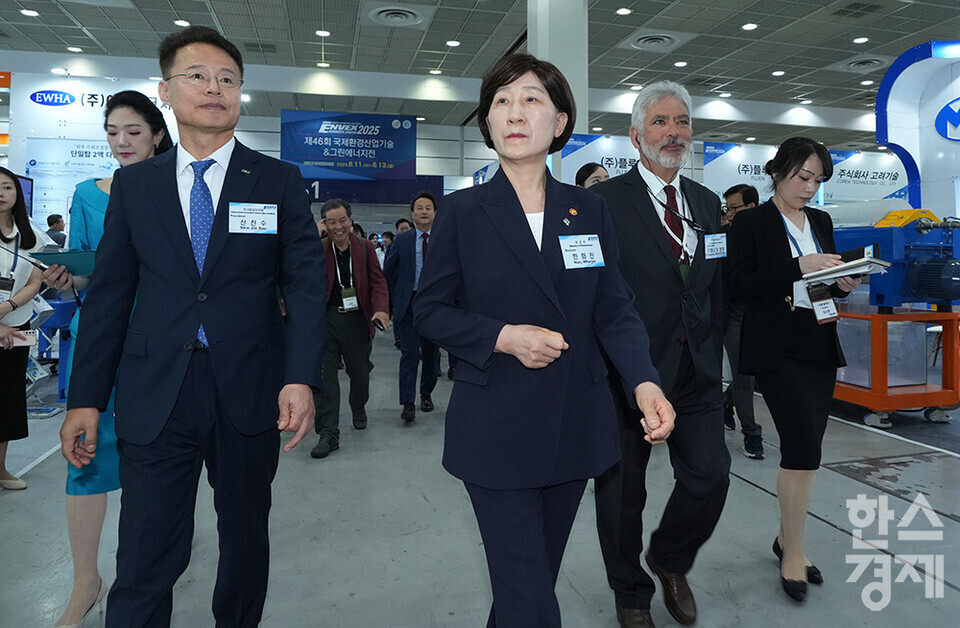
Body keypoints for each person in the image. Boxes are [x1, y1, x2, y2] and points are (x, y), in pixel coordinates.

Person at [58, 25, 325, 627]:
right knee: (147, 550)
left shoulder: (277, 180)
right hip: (157, 392)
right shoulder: (137, 184)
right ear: (166, 90)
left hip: (250, 391)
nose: (214, 88)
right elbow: (110, 295)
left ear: (240, 95)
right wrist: (86, 399)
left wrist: (300, 377)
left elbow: (306, 288)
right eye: (197, 76)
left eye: (227, 79)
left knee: (244, 544)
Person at [414, 53, 674, 628]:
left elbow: (614, 310)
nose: (513, 112)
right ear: (487, 122)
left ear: (559, 122)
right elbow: (428, 310)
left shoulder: (588, 210)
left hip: (571, 426)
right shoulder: (462, 212)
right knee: (531, 598)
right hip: (495, 427)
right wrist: (502, 336)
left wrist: (645, 380)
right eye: (501, 101)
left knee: (527, 585)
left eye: (531, 99)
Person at [590, 81, 730, 628]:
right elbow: (592, 295)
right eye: (660, 122)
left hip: (696, 372)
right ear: (635, 136)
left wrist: (718, 350)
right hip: (627, 377)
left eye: (682, 122)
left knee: (711, 477)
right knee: (623, 497)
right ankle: (630, 594)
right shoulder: (603, 204)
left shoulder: (706, 203)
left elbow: (712, 287)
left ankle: (669, 559)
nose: (674, 132)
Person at [50, 90, 173, 628]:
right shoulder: (86, 193)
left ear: (156, 136)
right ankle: (85, 582)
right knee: (86, 458)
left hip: (162, 341)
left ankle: (145, 575)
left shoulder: (179, 191)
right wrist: (64, 276)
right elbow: (81, 275)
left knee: (162, 462)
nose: (122, 142)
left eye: (134, 132)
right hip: (100, 338)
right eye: (113, 132)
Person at [728, 137, 860, 603]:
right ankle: (794, 550)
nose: (809, 188)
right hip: (776, 348)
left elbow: (826, 280)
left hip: (819, 342)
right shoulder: (752, 223)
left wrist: (843, 282)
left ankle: (787, 537)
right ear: (778, 171)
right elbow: (739, 284)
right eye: (803, 177)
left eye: (817, 181)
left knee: (811, 449)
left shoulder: (820, 220)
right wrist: (797, 266)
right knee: (801, 446)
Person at [311, 199, 390, 459]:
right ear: (325, 224)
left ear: (351, 220)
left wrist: (381, 309)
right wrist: (315, 235)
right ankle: (328, 433)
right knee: (326, 379)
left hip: (357, 320)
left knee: (360, 375)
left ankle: (358, 406)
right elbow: (295, 264)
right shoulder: (318, 248)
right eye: (331, 222)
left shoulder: (365, 248)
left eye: (342, 220)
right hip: (326, 320)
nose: (338, 226)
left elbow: (378, 283)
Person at [0, 167, 47, 491]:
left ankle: (1, 469)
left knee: (7, 399)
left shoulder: (30, 236)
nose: (1, 193)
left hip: (16, 326)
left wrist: (8, 308)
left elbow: (35, 280)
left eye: (7, 187)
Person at [383, 191, 441, 422]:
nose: (424, 211)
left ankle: (425, 394)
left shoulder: (444, 237)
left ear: (435, 212)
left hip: (436, 305)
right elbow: (388, 272)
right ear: (412, 212)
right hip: (409, 304)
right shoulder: (403, 240)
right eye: (419, 208)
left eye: (428, 207)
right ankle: (407, 401)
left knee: (431, 353)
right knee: (409, 353)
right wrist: (388, 302)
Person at [720, 183, 764, 459]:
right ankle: (752, 433)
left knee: (751, 371)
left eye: (735, 208)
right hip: (731, 313)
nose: (731, 213)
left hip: (761, 313)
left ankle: (726, 403)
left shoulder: (766, 236)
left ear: (751, 207)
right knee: (744, 374)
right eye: (728, 208)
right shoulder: (722, 236)